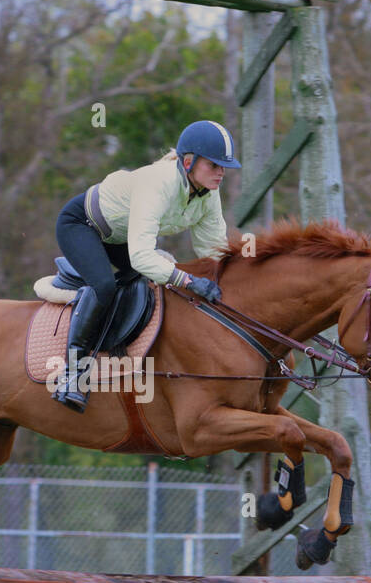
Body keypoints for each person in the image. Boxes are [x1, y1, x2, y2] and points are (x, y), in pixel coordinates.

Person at [52, 119, 241, 412]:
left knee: (142, 282)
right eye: (214, 165)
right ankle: (72, 374)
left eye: (224, 167)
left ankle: (118, 348)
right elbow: (142, 256)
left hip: (118, 238)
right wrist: (189, 281)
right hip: (82, 225)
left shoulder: (208, 195)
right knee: (104, 285)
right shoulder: (159, 181)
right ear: (188, 162)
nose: (221, 173)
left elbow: (213, 253)